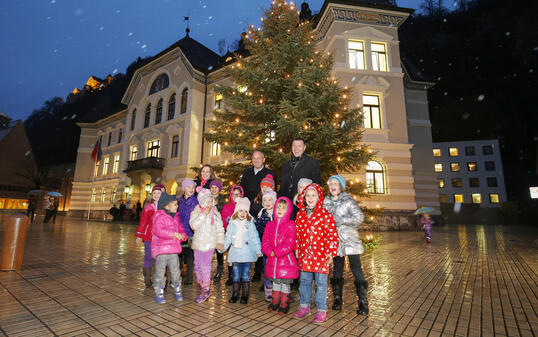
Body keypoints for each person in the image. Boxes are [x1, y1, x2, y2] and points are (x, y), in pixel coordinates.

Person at [293, 183, 339, 324]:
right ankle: (304, 306)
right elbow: (297, 234)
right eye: (308, 195)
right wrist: (297, 247)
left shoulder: (325, 215)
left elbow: (332, 235)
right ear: (304, 197)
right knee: (305, 282)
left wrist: (331, 253)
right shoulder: (300, 215)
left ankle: (321, 309)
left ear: (319, 197)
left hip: (321, 256)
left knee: (321, 283)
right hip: (305, 255)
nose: (311, 198)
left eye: (314, 195)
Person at [324, 175, 369, 315]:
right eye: (330, 183)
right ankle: (337, 299)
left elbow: (359, 217)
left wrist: (342, 220)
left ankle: (363, 302)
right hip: (335, 243)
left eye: (336, 183)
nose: (332, 186)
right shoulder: (325, 202)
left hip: (351, 242)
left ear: (341, 186)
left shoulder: (348, 201)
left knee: (357, 270)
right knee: (337, 270)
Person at [220, 197, 262, 304]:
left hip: (247, 254)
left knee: (245, 275)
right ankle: (235, 294)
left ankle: (245, 295)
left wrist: (258, 250)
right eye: (240, 210)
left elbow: (255, 238)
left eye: (245, 211)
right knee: (236, 274)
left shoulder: (250, 224)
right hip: (236, 254)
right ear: (236, 211)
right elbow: (228, 238)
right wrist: (223, 247)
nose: (243, 213)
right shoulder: (232, 223)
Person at [262, 196, 298, 314]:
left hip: (286, 260)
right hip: (273, 261)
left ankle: (284, 303)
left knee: (285, 284)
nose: (280, 210)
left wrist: (277, 251)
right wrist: (269, 251)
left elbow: (290, 243)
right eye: (278, 207)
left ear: (288, 210)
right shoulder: (270, 225)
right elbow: (265, 241)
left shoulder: (290, 225)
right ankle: (275, 301)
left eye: (283, 208)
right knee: (276, 282)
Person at [190, 188, 225, 303]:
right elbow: (194, 225)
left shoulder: (216, 213)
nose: (210, 204)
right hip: (198, 244)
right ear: (202, 202)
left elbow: (220, 229)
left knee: (205, 266)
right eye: (208, 201)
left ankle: (205, 290)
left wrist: (220, 241)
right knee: (197, 266)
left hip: (210, 243)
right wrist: (203, 215)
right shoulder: (196, 211)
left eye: (211, 201)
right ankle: (202, 285)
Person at [151, 192, 187, 304]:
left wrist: (182, 236)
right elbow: (158, 231)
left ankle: (177, 288)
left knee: (176, 271)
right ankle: (159, 291)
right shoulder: (159, 217)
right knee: (160, 272)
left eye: (177, 204)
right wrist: (173, 234)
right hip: (161, 250)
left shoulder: (176, 217)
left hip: (173, 250)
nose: (177, 206)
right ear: (166, 206)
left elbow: (181, 230)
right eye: (175, 204)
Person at [135, 184, 166, 288]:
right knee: (148, 256)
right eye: (154, 193)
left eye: (159, 193)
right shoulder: (148, 207)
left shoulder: (167, 207)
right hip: (149, 238)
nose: (156, 195)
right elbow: (143, 222)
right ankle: (147, 278)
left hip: (162, 238)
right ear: (152, 195)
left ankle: (161, 279)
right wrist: (139, 236)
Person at [252, 174, 276, 282]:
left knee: (273, 265)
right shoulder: (260, 208)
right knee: (265, 264)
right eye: (263, 187)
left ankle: (274, 283)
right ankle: (267, 285)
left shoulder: (276, 211)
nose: (265, 189)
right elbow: (257, 223)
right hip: (263, 242)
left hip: (274, 244)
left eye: (268, 187)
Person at [219, 185, 245, 285]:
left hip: (241, 237)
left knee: (241, 257)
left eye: (238, 194)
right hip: (230, 236)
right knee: (231, 257)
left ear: (241, 196)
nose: (235, 196)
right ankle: (231, 276)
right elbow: (223, 220)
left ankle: (241, 276)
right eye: (233, 194)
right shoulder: (227, 207)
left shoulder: (244, 208)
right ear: (231, 195)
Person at [254, 190, 277, 299]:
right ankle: (268, 288)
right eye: (265, 200)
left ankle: (277, 289)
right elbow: (257, 230)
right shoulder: (261, 214)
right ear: (262, 203)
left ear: (275, 201)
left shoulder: (278, 214)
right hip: (265, 247)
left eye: (270, 200)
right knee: (266, 268)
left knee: (276, 268)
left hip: (276, 247)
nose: (267, 202)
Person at [177, 179, 198, 285]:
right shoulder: (179, 201)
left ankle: (189, 279)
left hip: (191, 233)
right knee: (179, 256)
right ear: (184, 188)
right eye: (189, 187)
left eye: (193, 187)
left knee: (190, 257)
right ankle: (178, 277)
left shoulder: (196, 201)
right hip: (180, 233)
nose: (191, 189)